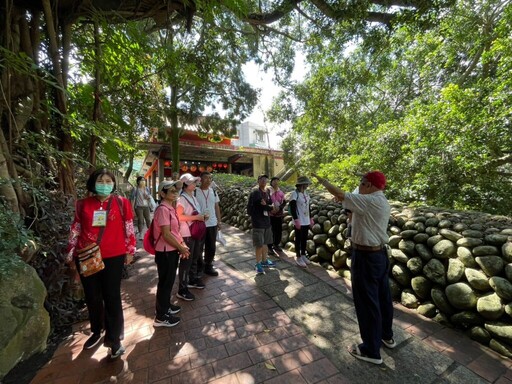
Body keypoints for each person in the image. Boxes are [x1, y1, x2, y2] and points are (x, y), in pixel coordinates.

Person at [313, 171, 394, 365]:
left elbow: (341, 195)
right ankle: (386, 336)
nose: (359, 186)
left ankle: (371, 350)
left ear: (369, 185)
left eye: (361, 183)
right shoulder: (379, 200)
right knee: (383, 298)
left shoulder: (371, 201)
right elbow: (347, 202)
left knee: (367, 302)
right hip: (379, 255)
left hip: (366, 256)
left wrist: (323, 181)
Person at [65, 168, 136, 359]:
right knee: (92, 296)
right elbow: (76, 228)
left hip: (114, 255)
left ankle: (115, 340)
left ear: (113, 183)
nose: (105, 184)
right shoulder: (82, 204)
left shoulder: (122, 203)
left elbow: (129, 227)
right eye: (101, 180)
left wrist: (130, 250)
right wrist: (71, 252)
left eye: (108, 181)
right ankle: (97, 330)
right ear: (93, 183)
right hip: (87, 255)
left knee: (112, 295)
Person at [152, 179, 190, 327]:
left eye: (176, 190)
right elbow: (166, 234)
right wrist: (181, 247)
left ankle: (166, 306)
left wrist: (182, 244)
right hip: (165, 252)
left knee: (168, 282)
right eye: (171, 191)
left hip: (172, 250)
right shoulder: (162, 209)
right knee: (165, 283)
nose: (175, 193)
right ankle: (161, 317)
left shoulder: (170, 208)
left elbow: (175, 231)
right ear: (162, 193)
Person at [176, 173, 207, 300]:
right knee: (186, 261)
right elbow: (179, 217)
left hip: (194, 232)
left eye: (195, 181)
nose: (195, 184)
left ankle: (191, 280)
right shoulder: (181, 199)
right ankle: (182, 289)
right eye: (192, 182)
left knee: (194, 257)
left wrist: (202, 217)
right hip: (186, 233)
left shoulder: (193, 197)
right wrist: (196, 217)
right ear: (185, 185)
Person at [193, 172, 222, 278]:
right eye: (206, 178)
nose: (209, 180)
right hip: (199, 223)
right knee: (198, 247)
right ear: (200, 179)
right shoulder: (195, 191)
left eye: (210, 178)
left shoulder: (213, 191)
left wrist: (219, 221)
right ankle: (199, 267)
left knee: (211, 246)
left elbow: (216, 206)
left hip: (212, 223)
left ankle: (208, 265)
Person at [247, 174, 276, 274]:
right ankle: (258, 263)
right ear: (258, 181)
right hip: (258, 221)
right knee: (259, 244)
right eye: (261, 179)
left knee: (265, 242)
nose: (264, 181)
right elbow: (263, 206)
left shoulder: (267, 191)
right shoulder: (256, 192)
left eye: (265, 179)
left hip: (266, 221)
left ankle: (264, 260)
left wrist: (268, 206)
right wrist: (269, 207)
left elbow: (270, 205)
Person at [289, 176, 314, 268]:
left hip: (306, 219)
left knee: (304, 238)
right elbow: (292, 207)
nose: (307, 185)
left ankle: (303, 255)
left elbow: (308, 206)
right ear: (302, 184)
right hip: (299, 220)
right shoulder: (294, 194)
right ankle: (298, 256)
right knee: (298, 238)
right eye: (306, 183)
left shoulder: (306, 194)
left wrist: (311, 218)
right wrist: (296, 220)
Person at [267, 177, 286, 255]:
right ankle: (269, 247)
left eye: (277, 181)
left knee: (278, 230)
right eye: (274, 181)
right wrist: (271, 208)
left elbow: (284, 202)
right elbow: (266, 200)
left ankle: (276, 244)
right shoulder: (268, 191)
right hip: (270, 214)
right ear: (271, 182)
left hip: (279, 214)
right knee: (271, 231)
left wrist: (280, 208)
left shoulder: (281, 192)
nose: (275, 182)